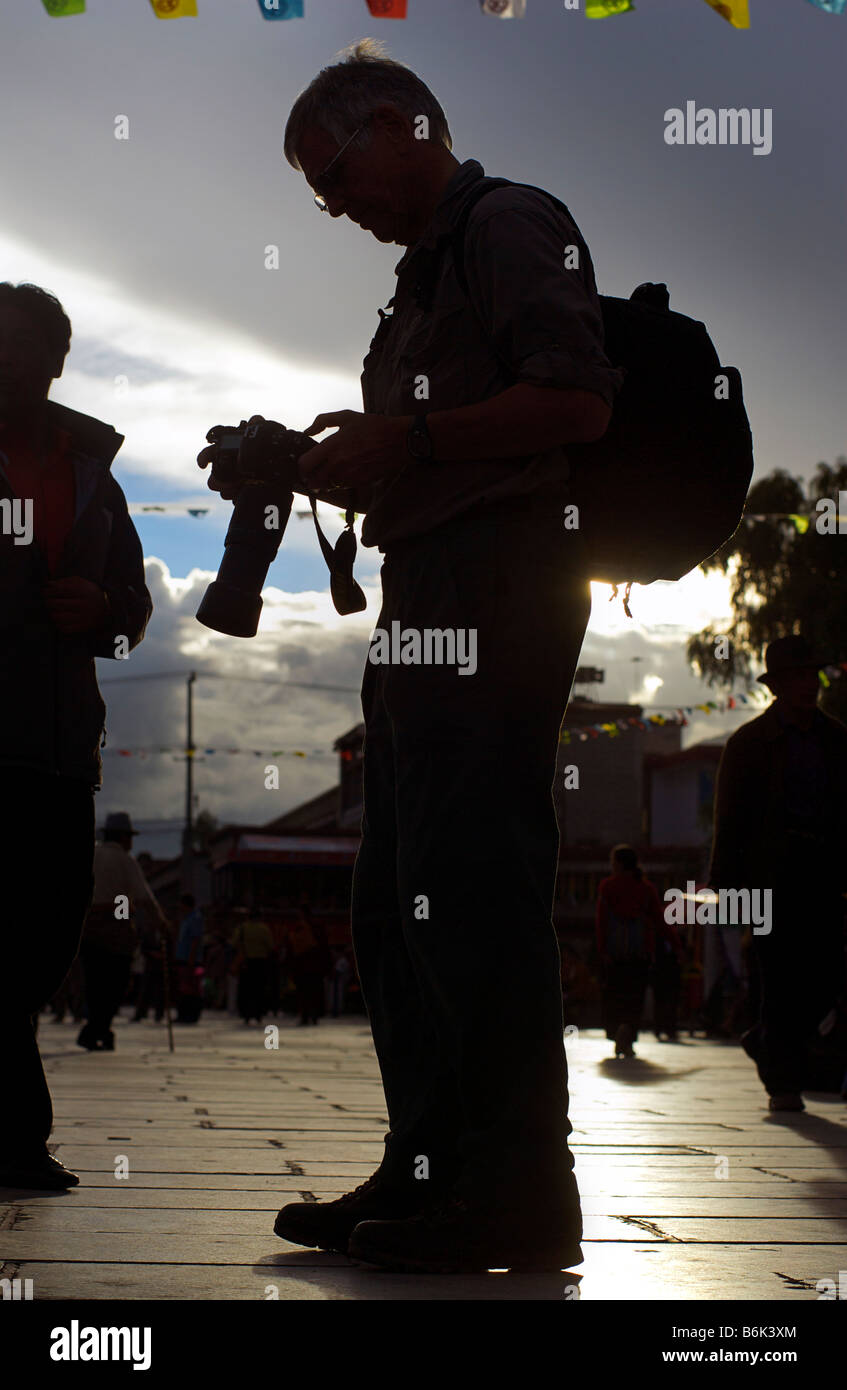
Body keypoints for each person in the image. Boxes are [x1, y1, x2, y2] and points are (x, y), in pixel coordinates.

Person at [251, 41, 624, 1274]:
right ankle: (426, 1169)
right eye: (314, 187)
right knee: (393, 899)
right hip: (423, 587)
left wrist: (402, 437)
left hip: (498, 578)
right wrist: (314, 461)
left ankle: (518, 1191)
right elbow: (422, 444)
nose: (330, 203)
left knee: (470, 885)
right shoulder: (419, 281)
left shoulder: (511, 224)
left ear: (404, 124)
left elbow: (575, 402)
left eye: (334, 171)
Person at [0, 283, 152, 1191]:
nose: (8, 359)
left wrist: (104, 609)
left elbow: (135, 612)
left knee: (46, 936)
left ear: (58, 360)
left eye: (25, 345)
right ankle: (17, 1137)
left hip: (58, 746)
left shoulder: (93, 476)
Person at [709, 636, 847, 1112]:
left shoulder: (838, 740)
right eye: (798, 677)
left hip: (825, 874)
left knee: (827, 974)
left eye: (814, 676)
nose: (809, 685)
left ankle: (767, 1041)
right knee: (781, 976)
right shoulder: (748, 744)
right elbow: (729, 825)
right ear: (778, 686)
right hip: (771, 877)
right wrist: (726, 893)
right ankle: (783, 1084)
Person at [78, 813, 167, 1050]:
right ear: (122, 837)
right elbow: (143, 897)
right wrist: (161, 922)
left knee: (95, 984)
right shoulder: (125, 860)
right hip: (116, 930)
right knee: (115, 984)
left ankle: (100, 1029)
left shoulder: (92, 855)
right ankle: (97, 1029)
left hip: (88, 928)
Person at [596, 846, 665, 1058]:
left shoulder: (607, 886)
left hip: (615, 954)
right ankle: (628, 1033)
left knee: (614, 996)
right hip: (639, 954)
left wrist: (602, 949)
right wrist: (678, 946)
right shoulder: (646, 888)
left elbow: (601, 921)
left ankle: (618, 1032)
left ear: (619, 864)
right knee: (635, 997)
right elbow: (659, 921)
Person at [231, 908, 276, 1024]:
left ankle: (246, 1013)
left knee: (245, 988)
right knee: (259, 988)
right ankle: (258, 1013)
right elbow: (270, 946)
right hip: (260, 962)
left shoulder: (242, 928)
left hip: (245, 962)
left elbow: (234, 943)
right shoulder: (264, 929)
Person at [173, 893, 205, 1024]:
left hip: (190, 959)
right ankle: (183, 1013)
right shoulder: (186, 919)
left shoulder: (195, 918)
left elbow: (195, 940)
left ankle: (191, 1014)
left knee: (191, 988)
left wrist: (191, 959)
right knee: (183, 987)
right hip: (183, 958)